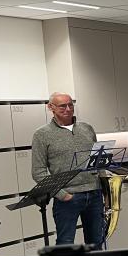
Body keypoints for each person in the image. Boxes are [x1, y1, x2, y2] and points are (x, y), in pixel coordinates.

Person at [31, 92, 105, 246]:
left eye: (70, 104)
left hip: (95, 194)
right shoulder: (41, 134)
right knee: (65, 245)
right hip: (67, 198)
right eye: (62, 106)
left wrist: (105, 189)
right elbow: (38, 172)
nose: (68, 109)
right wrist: (62, 195)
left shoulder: (87, 128)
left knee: (96, 243)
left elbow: (98, 161)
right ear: (50, 107)